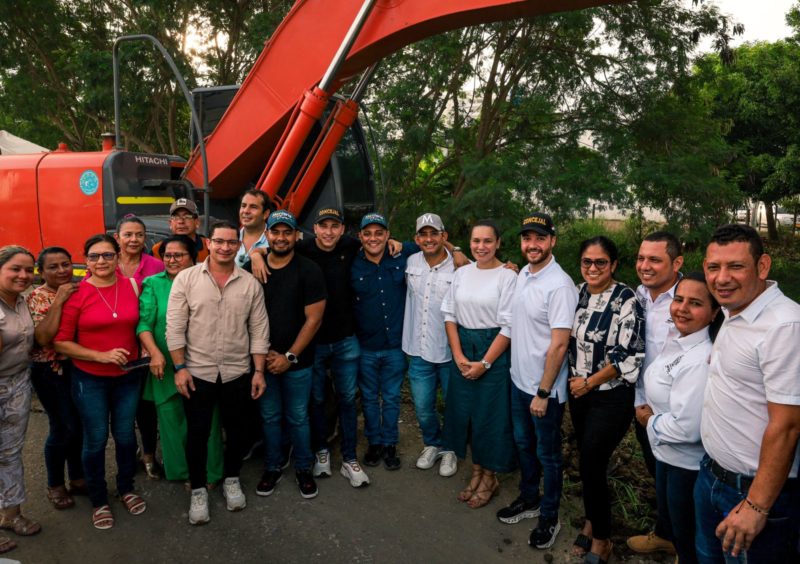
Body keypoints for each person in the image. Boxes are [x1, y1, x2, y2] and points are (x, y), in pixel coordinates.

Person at [695, 224, 800, 562]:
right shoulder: (735, 309)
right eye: (714, 267)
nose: (722, 278)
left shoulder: (784, 326)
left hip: (752, 494)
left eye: (736, 266)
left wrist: (756, 506)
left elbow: (787, 426)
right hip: (712, 476)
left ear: (762, 266)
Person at [166, 220, 269, 526]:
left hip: (238, 372)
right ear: (208, 243)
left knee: (238, 431)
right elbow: (175, 327)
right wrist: (180, 368)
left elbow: (259, 330)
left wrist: (259, 371)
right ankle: (198, 489)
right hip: (197, 371)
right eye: (219, 241)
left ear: (238, 246)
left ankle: (232, 478)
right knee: (197, 433)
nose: (225, 247)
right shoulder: (186, 279)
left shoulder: (249, 284)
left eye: (231, 242)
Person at [497, 212, 578, 551]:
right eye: (527, 238)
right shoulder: (524, 275)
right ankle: (529, 498)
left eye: (540, 238)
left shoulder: (560, 285)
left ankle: (549, 516)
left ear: (552, 241)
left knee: (548, 455)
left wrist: (543, 392)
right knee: (523, 445)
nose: (533, 244)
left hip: (544, 391)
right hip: (519, 383)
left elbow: (559, 345)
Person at [54, 235, 146, 530]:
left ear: (118, 257)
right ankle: (98, 499)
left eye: (107, 255)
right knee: (95, 439)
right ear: (86, 261)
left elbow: (142, 324)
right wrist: (101, 356)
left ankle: (126, 488)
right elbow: (61, 343)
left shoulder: (132, 286)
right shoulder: (77, 294)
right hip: (90, 379)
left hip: (128, 376)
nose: (101, 261)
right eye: (94, 256)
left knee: (125, 435)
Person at [567, 236, 645, 562]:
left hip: (610, 396)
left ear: (613, 264)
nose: (593, 267)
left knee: (591, 460)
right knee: (588, 461)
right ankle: (591, 520)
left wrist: (589, 382)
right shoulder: (577, 292)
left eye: (601, 262)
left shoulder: (627, 299)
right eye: (587, 261)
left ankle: (602, 539)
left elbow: (629, 354)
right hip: (578, 393)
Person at [636, 272, 721, 564]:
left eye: (695, 303)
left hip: (686, 464)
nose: (682, 308)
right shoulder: (679, 340)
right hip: (666, 455)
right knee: (671, 520)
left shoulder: (700, 360)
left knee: (687, 538)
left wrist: (649, 421)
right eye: (679, 299)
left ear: (714, 312)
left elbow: (688, 429)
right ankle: (665, 540)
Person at [136, 235, 224, 486]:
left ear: (192, 257)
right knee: (171, 419)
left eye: (179, 255)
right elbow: (144, 323)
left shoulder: (208, 280)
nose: (172, 260)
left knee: (208, 419)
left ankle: (211, 473)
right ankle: (183, 473)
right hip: (164, 365)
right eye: (167, 255)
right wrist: (154, 353)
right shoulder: (153, 283)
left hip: (202, 362)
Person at [440, 219, 516, 509]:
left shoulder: (507, 276)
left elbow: (508, 325)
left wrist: (485, 363)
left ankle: (489, 477)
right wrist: (458, 355)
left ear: (498, 243)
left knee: (490, 417)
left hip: (493, 350)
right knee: (465, 414)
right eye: (476, 241)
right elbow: (449, 314)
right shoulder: (462, 273)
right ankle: (475, 471)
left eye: (487, 241)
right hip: (462, 346)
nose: (481, 246)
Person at [253, 211, 326, 499]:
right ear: (267, 235)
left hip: (299, 361)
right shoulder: (252, 269)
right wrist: (264, 356)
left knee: (298, 416)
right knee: (270, 416)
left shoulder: (309, 270)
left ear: (297, 235)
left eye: (287, 232)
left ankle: (304, 468)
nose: (281, 238)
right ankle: (273, 466)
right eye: (275, 232)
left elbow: (314, 319)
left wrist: (289, 357)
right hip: (263, 361)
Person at [627, 231, 683, 556]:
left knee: (682, 480)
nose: (645, 266)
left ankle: (687, 546)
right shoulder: (638, 295)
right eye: (641, 258)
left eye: (654, 260)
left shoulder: (690, 300)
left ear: (676, 263)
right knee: (657, 471)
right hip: (642, 405)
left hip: (679, 410)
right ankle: (666, 534)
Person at [351, 212, 417, 470]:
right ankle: (374, 443)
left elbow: (434, 244)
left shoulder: (403, 254)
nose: (373, 238)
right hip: (365, 347)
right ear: (360, 236)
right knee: (368, 398)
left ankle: (390, 444)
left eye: (379, 233)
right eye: (368, 233)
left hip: (395, 346)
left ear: (388, 235)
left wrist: (456, 251)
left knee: (391, 398)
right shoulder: (352, 262)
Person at [27, 247, 86, 510]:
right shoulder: (38, 297)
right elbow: (43, 338)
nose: (62, 270)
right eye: (53, 267)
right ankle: (55, 484)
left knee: (79, 425)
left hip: (77, 367)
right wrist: (60, 300)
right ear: (41, 272)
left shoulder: (79, 289)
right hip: (49, 372)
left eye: (66, 264)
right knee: (63, 427)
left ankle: (77, 477)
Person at [403, 213, 458, 477]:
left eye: (434, 233)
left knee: (452, 405)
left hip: (450, 352)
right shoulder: (410, 261)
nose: (428, 239)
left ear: (443, 236)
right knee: (423, 407)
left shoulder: (460, 267)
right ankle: (432, 444)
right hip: (418, 350)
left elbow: (488, 273)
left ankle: (451, 450)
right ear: (416, 239)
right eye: (423, 234)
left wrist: (509, 268)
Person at [114, 214, 165, 480]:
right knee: (122, 406)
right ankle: (129, 451)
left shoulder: (155, 265)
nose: (134, 240)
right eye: (128, 235)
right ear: (117, 238)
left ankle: (149, 454)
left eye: (139, 235)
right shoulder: (107, 263)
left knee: (146, 404)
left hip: (148, 344)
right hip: (116, 345)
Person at [0, 246, 40, 552]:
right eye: (15, 269)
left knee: (10, 452)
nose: (23, 275)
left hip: (18, 383)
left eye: (28, 270)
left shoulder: (22, 301)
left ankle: (11, 514)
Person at [235, 189, 271, 270]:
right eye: (243, 206)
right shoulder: (229, 238)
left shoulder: (274, 241)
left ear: (265, 214)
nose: (246, 211)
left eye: (253, 207)